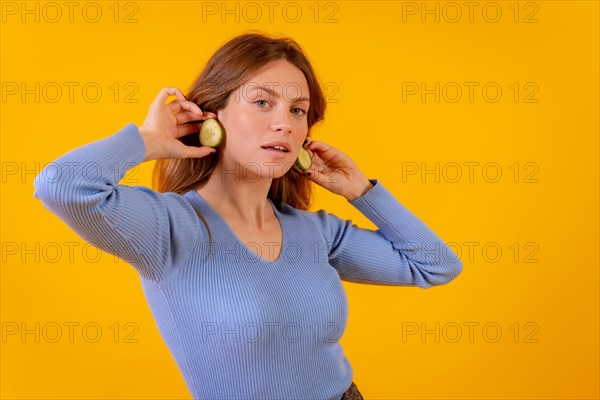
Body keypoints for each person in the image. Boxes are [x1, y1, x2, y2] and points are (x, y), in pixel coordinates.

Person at [33, 31, 463, 400]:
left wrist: (360, 190)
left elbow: (435, 266)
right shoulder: (169, 228)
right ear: (212, 115)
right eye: (262, 102)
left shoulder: (317, 233)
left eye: (298, 110)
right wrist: (149, 139)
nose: (286, 124)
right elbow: (63, 186)